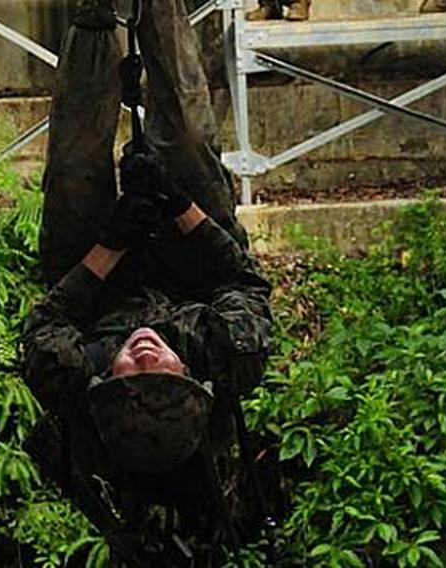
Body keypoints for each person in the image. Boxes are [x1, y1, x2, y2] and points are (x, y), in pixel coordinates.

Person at [21, 0, 272, 550]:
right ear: (191, 374)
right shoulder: (228, 355)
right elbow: (244, 281)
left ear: (103, 382)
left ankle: (93, 15)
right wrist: (179, 204)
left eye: (130, 369)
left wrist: (110, 243)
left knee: (75, 162)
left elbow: (49, 318)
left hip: (94, 271)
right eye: (161, 367)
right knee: (184, 135)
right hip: (193, 256)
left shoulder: (70, 375)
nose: (145, 352)